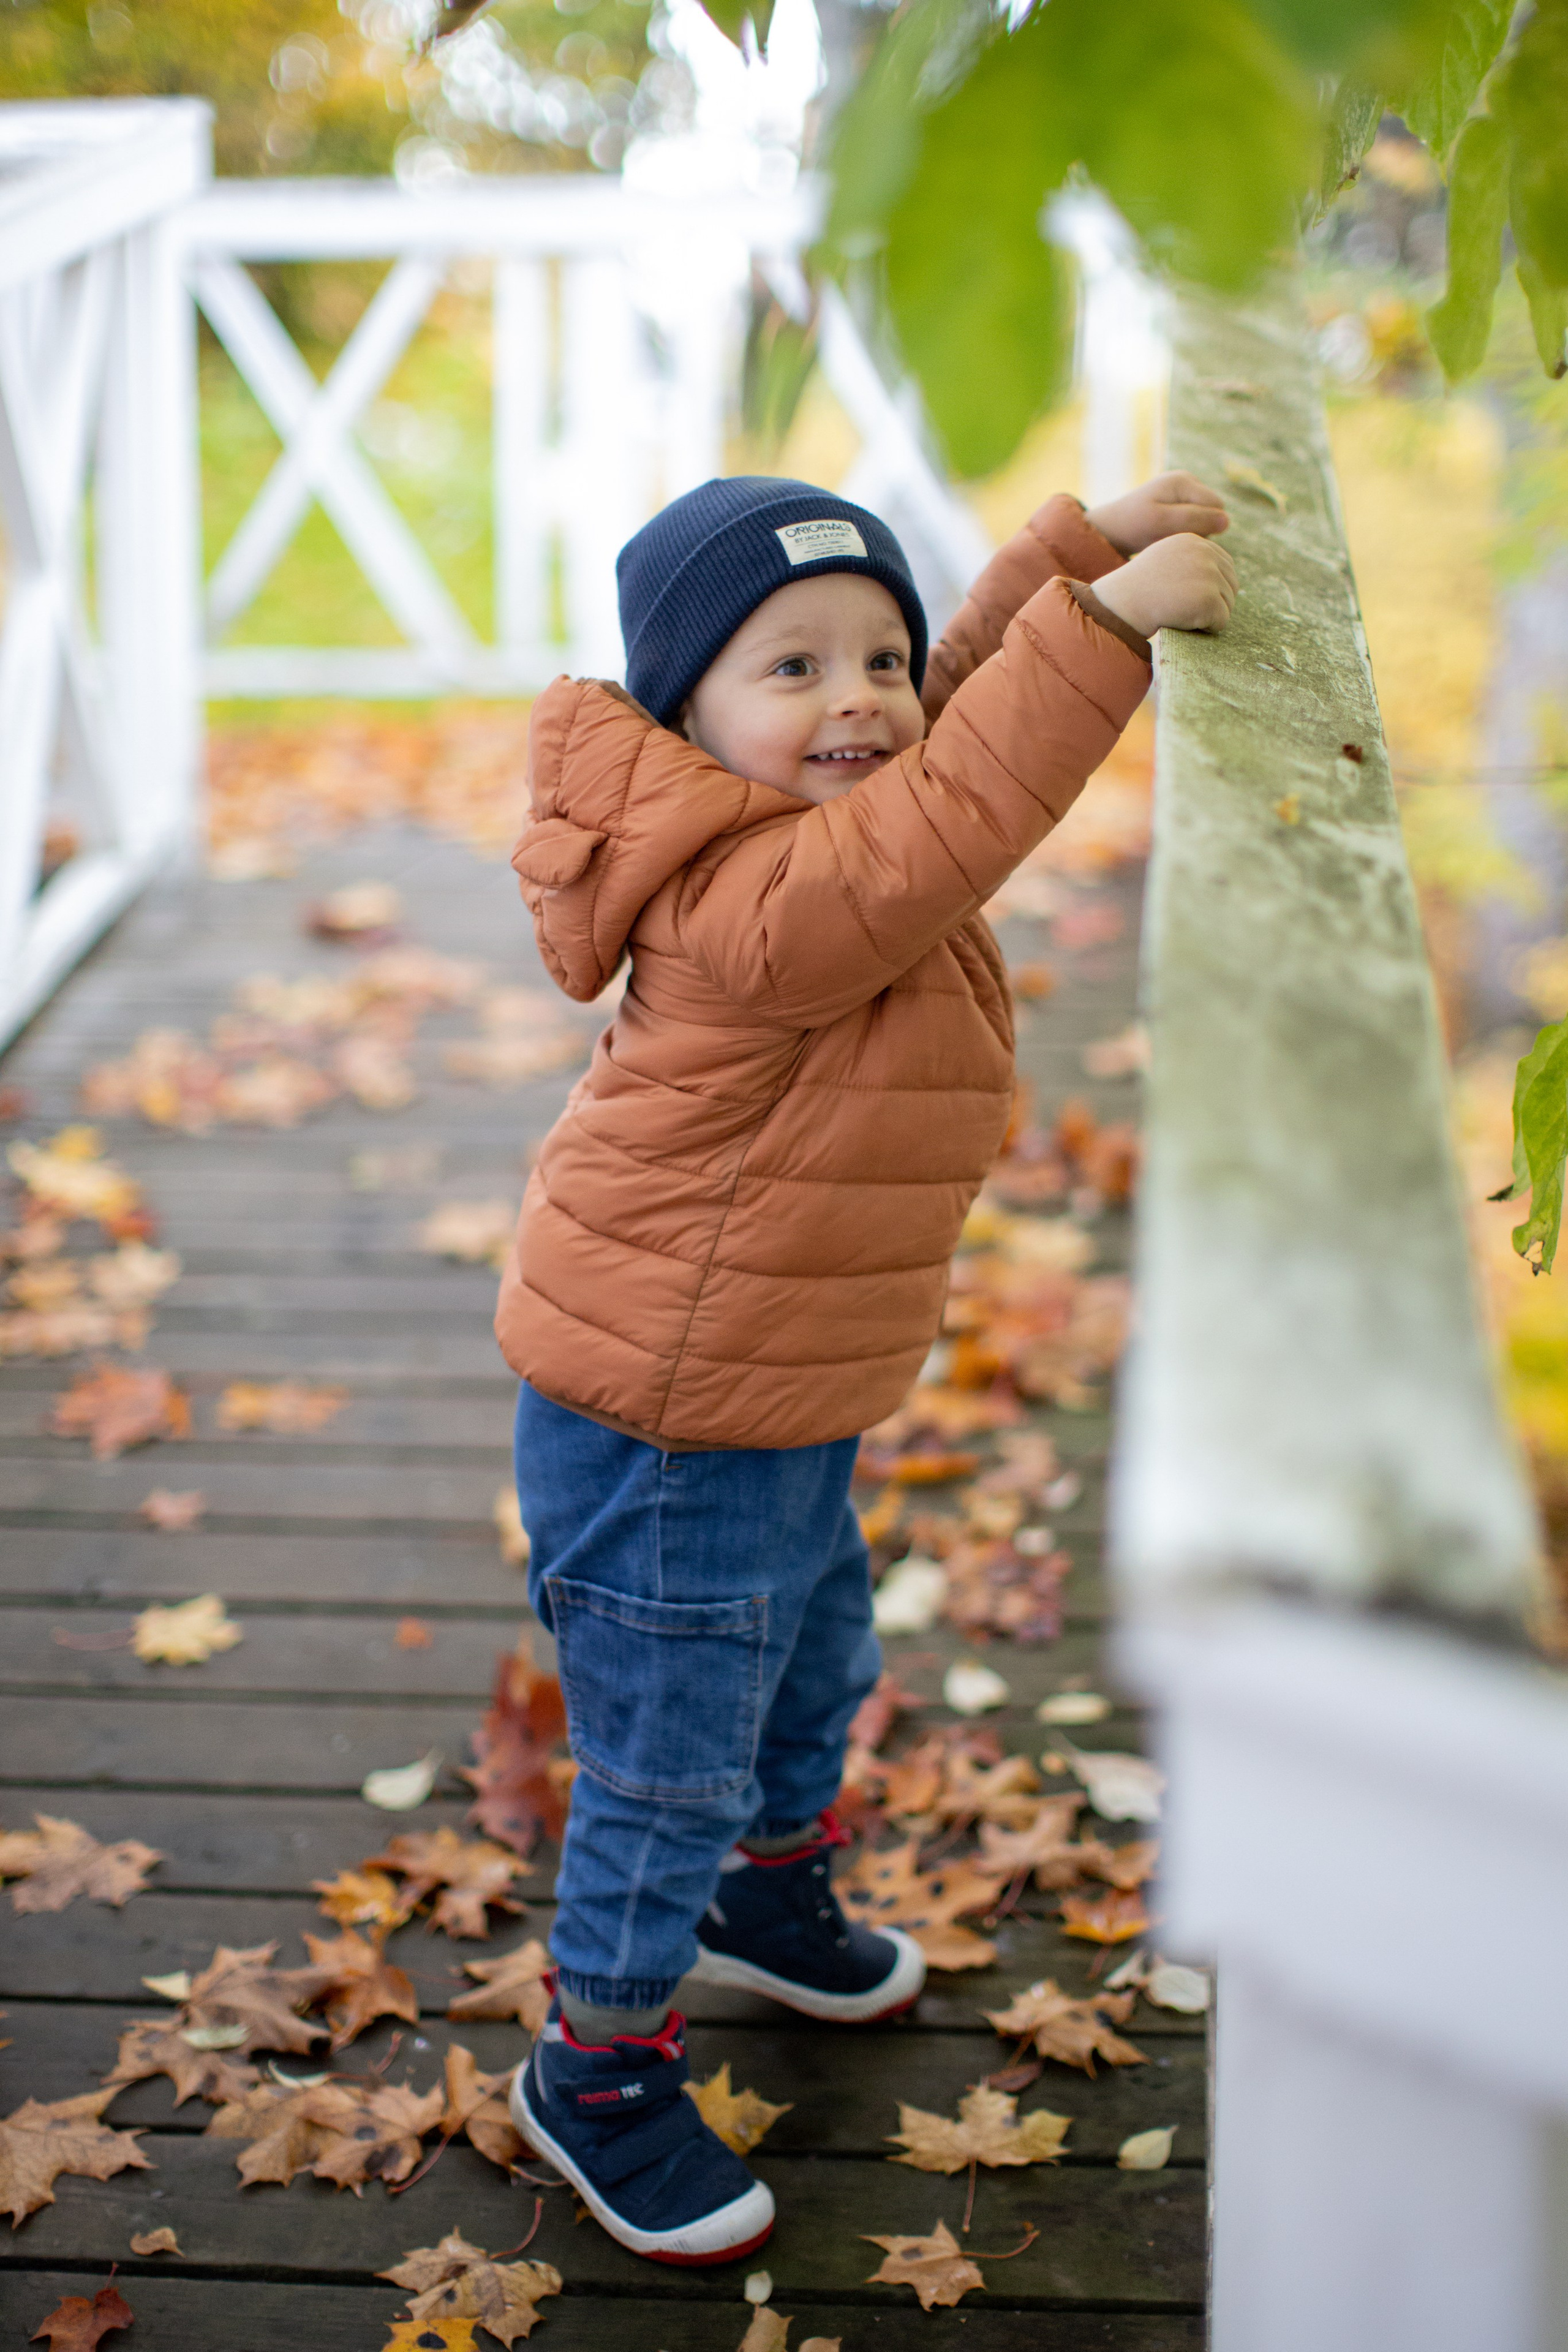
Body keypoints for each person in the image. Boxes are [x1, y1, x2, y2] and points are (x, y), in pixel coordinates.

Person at [495, 469, 1235, 2264]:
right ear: (686, 715)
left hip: (776, 1383)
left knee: (816, 1656)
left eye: (879, 658)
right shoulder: (748, 905)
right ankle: (593, 2069)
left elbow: (954, 731)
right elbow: (943, 829)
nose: (858, 701)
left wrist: (1071, 564)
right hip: (669, 1413)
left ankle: (773, 1894)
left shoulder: (819, 809)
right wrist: (1111, 631)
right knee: (670, 1752)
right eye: (793, 667)